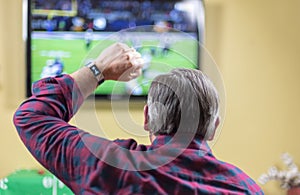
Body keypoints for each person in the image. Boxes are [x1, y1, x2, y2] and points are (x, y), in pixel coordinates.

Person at [14, 43, 264, 194]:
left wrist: (97, 69)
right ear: (214, 127)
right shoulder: (245, 188)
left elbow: (31, 117)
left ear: (146, 117)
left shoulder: (112, 167)